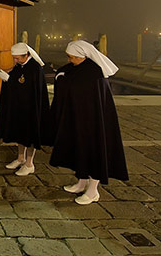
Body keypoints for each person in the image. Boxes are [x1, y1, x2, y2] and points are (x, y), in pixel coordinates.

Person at [49, 40, 128, 205]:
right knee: (80, 150)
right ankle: (81, 182)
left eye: (73, 57)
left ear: (82, 55)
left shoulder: (94, 72)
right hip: (81, 119)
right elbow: (67, 75)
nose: (70, 60)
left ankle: (93, 191)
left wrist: (63, 81)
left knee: (93, 152)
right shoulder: (79, 67)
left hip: (93, 122)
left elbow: (77, 88)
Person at [0, 43, 50, 176]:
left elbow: (29, 89)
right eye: (14, 58)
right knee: (20, 133)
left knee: (30, 135)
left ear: (26, 55)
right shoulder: (21, 66)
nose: (15, 61)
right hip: (21, 107)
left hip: (31, 108)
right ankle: (20, 158)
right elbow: (18, 81)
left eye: (18, 58)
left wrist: (10, 80)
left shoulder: (35, 68)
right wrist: (8, 79)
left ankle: (29, 163)